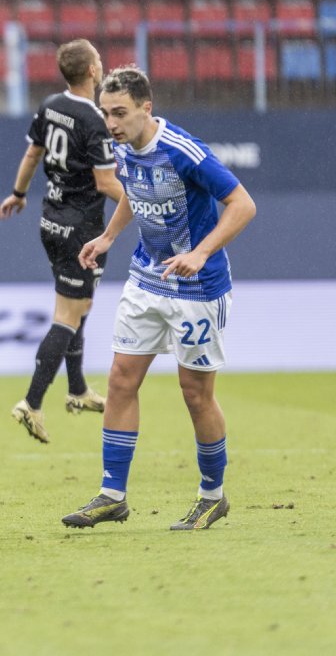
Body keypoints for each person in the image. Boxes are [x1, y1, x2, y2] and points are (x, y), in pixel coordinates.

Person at [62, 66, 256, 531]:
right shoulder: (123, 146)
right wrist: (109, 237)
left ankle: (212, 497)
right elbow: (135, 190)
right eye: (106, 113)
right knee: (120, 380)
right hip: (147, 279)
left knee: (195, 393)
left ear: (146, 108)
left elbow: (243, 204)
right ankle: (112, 496)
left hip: (197, 288)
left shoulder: (184, 151)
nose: (111, 123)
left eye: (120, 113)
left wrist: (201, 252)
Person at [0, 39, 125, 443]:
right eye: (99, 59)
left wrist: (18, 193)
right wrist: (143, 202)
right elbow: (106, 183)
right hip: (80, 229)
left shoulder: (51, 104)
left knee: (80, 304)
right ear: (91, 70)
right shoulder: (94, 120)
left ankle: (77, 389)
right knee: (68, 316)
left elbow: (32, 154)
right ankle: (32, 402)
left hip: (50, 221)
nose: (102, 65)